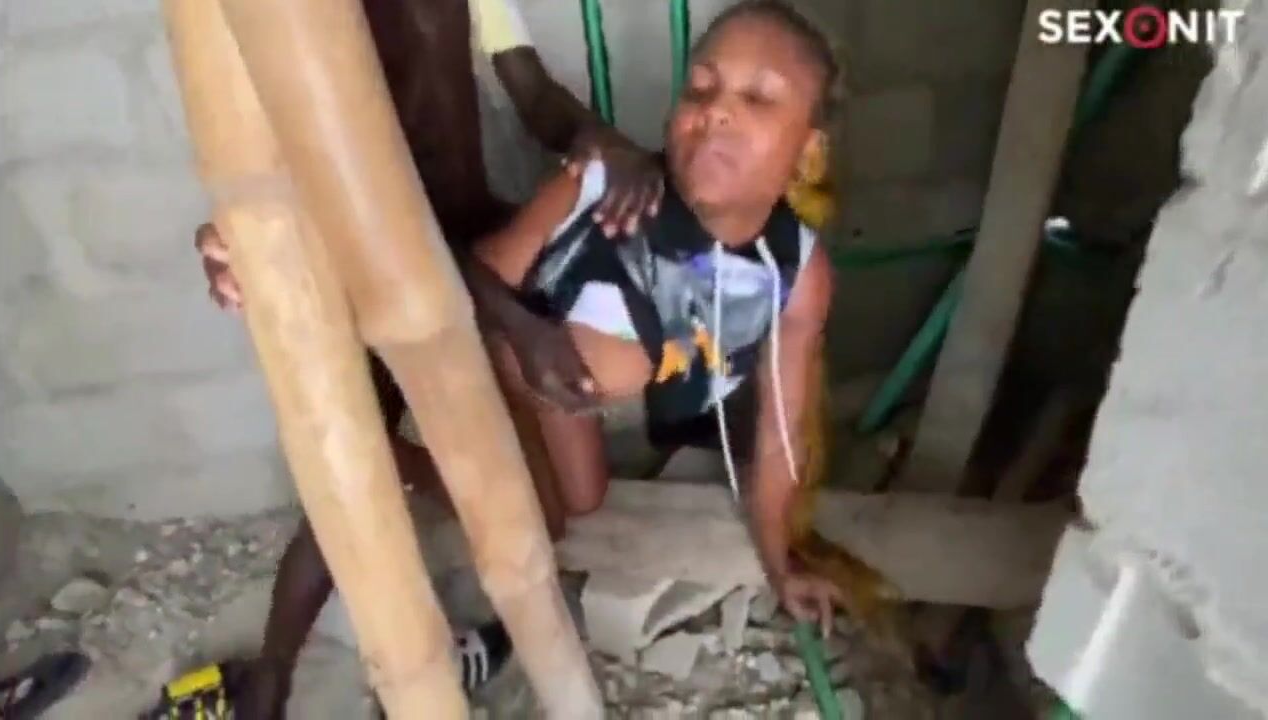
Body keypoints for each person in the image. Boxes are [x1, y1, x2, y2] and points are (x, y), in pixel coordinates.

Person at [203, 0, 847, 702]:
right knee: (530, 513)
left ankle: (395, 467)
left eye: (758, 99)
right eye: (700, 86)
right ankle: (295, 636)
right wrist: (522, 332)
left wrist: (782, 562)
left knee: (580, 500)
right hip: (452, 306)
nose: (717, 110)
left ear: (809, 151)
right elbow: (458, 278)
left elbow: (783, 431)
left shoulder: (792, 269)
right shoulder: (607, 197)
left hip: (502, 307)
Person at [192, 0, 662, 716]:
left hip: (470, 243)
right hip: (372, 263)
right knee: (351, 471)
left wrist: (604, 144)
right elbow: (270, 169)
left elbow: (534, 94)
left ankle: (405, 488)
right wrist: (235, 244)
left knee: (546, 512)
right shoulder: (302, 19)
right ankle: (273, 675)